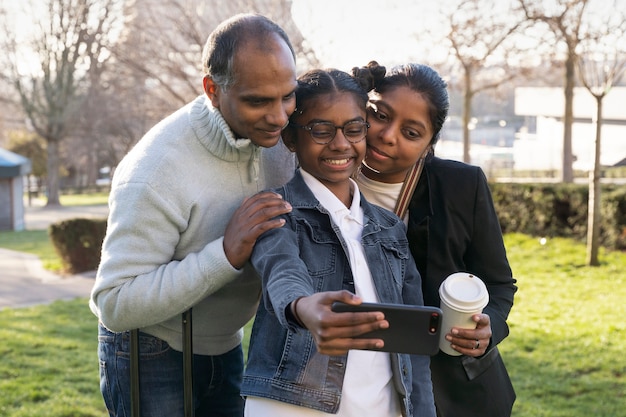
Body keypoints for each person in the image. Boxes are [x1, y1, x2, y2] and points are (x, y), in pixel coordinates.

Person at [89, 13, 298, 417]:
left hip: (227, 343)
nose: (279, 116)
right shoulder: (154, 171)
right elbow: (114, 303)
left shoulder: (285, 136)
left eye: (287, 95)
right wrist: (226, 254)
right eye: (258, 101)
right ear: (213, 90)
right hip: (150, 351)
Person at [241, 68, 436, 417]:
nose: (341, 143)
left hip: (381, 408)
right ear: (290, 137)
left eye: (354, 129)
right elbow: (281, 271)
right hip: (293, 406)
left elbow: (414, 344)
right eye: (321, 130)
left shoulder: (390, 227)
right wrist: (304, 307)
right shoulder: (277, 210)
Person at [352, 61, 517, 417]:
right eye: (379, 115)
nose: (388, 135)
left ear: (429, 144)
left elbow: (500, 284)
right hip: (355, 385)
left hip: (452, 391)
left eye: (412, 133)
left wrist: (489, 327)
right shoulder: (328, 176)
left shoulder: (462, 186)